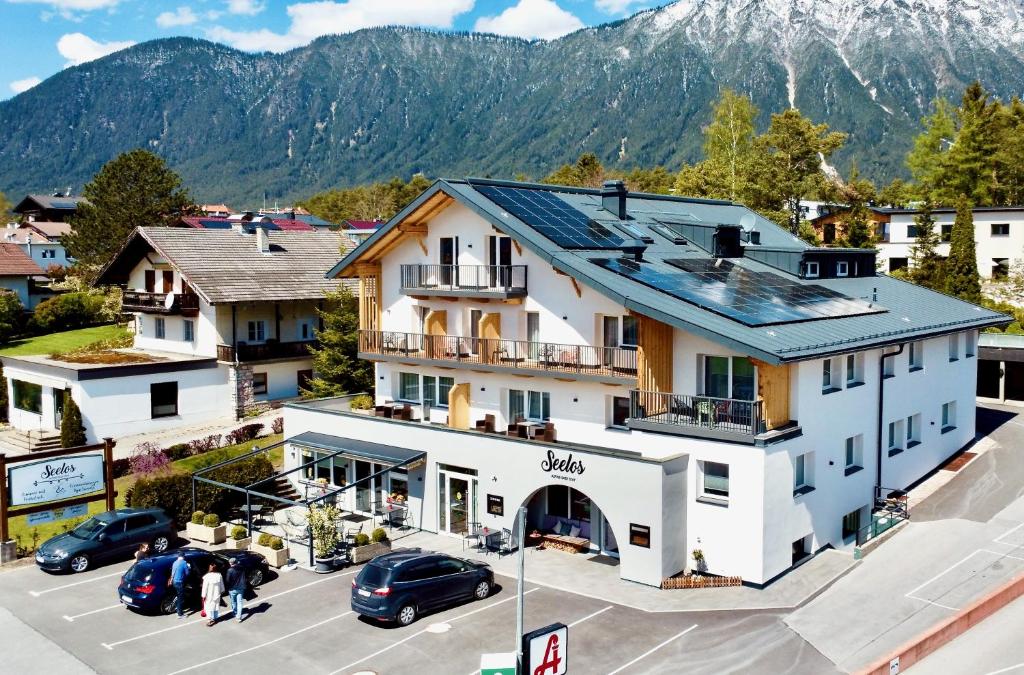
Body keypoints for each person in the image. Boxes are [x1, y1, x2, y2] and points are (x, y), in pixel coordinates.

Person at [201, 562, 224, 627]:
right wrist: (222, 591)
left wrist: (203, 595)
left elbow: (204, 587)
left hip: (209, 594)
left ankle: (210, 619)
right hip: (217, 593)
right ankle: (215, 617)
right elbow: (222, 585)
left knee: (208, 606)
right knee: (216, 605)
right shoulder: (219, 575)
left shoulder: (206, 577)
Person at [169, 551, 191, 619]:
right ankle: (180, 614)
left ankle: (177, 607)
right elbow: (187, 574)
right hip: (179, 582)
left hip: (174, 582)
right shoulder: (184, 563)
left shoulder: (174, 562)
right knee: (180, 598)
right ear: (183, 557)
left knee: (178, 595)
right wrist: (189, 567)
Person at [224, 557, 247, 622]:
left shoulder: (229, 570)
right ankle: (238, 617)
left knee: (233, 602)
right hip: (241, 588)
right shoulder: (241, 568)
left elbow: (227, 580)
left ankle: (235, 612)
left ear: (230, 563)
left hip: (232, 589)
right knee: (240, 602)